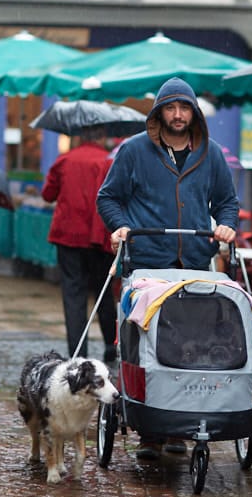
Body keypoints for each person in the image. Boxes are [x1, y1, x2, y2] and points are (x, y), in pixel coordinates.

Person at [97, 77, 239, 460]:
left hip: (194, 263)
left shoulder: (210, 154)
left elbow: (226, 202)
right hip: (147, 262)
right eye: (170, 108)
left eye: (184, 108)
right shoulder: (134, 151)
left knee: (192, 347)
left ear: (194, 113)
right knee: (147, 346)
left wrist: (226, 225)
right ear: (158, 113)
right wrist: (119, 226)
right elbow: (108, 197)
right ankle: (149, 431)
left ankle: (182, 425)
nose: (178, 115)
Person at [41, 125, 117, 362]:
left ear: (81, 137)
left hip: (69, 235)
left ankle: (78, 353)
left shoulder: (65, 160)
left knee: (73, 294)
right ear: (102, 137)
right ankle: (110, 344)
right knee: (104, 292)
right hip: (99, 236)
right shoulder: (108, 162)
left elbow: (48, 194)